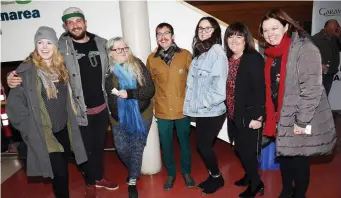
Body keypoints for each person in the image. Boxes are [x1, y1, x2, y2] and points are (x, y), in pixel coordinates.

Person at [7, 7, 118, 198]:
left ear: (85, 22)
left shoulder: (98, 44)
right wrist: (12, 76)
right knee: (71, 163)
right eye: (70, 22)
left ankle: (95, 179)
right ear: (65, 26)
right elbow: (32, 64)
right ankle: (88, 183)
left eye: (78, 21)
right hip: (70, 117)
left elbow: (116, 61)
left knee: (92, 151)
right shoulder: (55, 50)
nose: (75, 25)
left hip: (87, 115)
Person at [260, 9, 337, 198]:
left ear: (286, 26)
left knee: (299, 159)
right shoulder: (270, 54)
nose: (270, 34)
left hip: (300, 117)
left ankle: (299, 194)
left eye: (274, 28)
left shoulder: (304, 48)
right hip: (280, 115)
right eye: (265, 30)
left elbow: (312, 90)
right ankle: (287, 190)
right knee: (285, 157)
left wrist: (301, 122)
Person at [6, 26, 88, 198]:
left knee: (63, 169)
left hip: (63, 129)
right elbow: (14, 109)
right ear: (35, 45)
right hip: (44, 132)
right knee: (60, 173)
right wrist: (31, 129)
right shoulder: (26, 71)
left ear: (55, 45)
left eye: (49, 42)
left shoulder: (61, 67)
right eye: (40, 42)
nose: (44, 46)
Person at [146, 23, 195, 190]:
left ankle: (186, 172)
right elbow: (150, 84)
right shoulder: (152, 59)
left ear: (173, 36)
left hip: (183, 109)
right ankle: (171, 174)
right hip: (162, 109)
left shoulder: (185, 55)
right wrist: (152, 106)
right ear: (157, 38)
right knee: (166, 145)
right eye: (159, 34)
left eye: (166, 33)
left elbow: (194, 80)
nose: (163, 36)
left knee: (184, 143)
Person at [105, 37, 155, 198]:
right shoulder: (108, 71)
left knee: (137, 148)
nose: (122, 51)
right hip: (118, 118)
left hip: (141, 115)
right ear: (110, 53)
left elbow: (149, 90)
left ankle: (132, 180)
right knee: (121, 149)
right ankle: (135, 169)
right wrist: (116, 114)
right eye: (118, 49)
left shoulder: (137, 64)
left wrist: (130, 94)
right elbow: (108, 94)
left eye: (125, 48)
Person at [183, 16, 228, 195]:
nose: (203, 31)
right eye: (200, 28)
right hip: (203, 111)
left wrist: (201, 104)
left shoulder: (217, 52)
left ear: (215, 31)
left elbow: (219, 89)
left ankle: (217, 177)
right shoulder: (202, 52)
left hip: (212, 109)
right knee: (202, 145)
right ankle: (213, 175)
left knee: (203, 146)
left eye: (207, 28)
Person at [224, 22, 265, 198]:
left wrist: (258, 116)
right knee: (240, 149)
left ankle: (257, 184)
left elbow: (260, 89)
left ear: (246, 39)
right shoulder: (229, 59)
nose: (234, 40)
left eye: (238, 36)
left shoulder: (252, 58)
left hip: (249, 115)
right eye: (230, 36)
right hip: (234, 114)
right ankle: (249, 176)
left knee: (246, 151)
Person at [311, 19, 341, 95]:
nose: (333, 32)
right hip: (320, 74)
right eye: (331, 30)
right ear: (325, 28)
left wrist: (339, 37)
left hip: (330, 72)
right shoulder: (316, 39)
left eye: (335, 30)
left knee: (325, 95)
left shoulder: (336, 37)